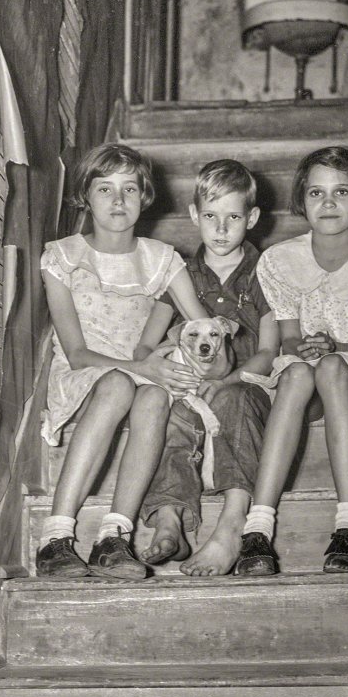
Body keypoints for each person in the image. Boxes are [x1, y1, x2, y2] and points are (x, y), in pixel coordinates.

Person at [37, 142, 206, 580]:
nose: (118, 201)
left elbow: (204, 327)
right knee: (119, 384)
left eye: (130, 189)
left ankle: (114, 537)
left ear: (145, 196)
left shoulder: (162, 259)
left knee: (153, 399)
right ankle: (55, 538)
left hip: (142, 376)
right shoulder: (62, 257)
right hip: (85, 373)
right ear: (85, 196)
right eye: (105, 189)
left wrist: (189, 357)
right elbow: (76, 354)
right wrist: (142, 367)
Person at [235, 145, 348, 575]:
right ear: (302, 199)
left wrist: (332, 349)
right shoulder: (278, 261)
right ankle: (257, 529)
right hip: (305, 375)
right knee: (295, 375)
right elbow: (289, 341)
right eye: (316, 193)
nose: (328, 203)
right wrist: (305, 348)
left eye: (341, 192)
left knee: (331, 367)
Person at [139, 159, 280, 576]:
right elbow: (146, 343)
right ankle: (170, 517)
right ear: (193, 216)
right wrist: (160, 365)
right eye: (211, 217)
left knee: (234, 401)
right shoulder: (181, 274)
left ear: (252, 218)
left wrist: (228, 380)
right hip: (189, 387)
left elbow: (269, 350)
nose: (221, 229)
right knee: (172, 414)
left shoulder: (264, 271)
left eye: (233, 217)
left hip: (247, 385)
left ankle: (232, 526)